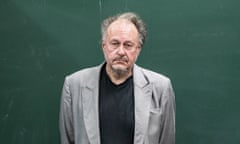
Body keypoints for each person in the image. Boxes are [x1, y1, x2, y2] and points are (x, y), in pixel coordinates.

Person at [59, 12, 175, 144]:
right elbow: (67, 140)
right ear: (104, 46)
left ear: (138, 50)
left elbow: (167, 140)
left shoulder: (161, 87)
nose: (120, 52)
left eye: (128, 45)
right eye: (114, 43)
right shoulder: (74, 85)